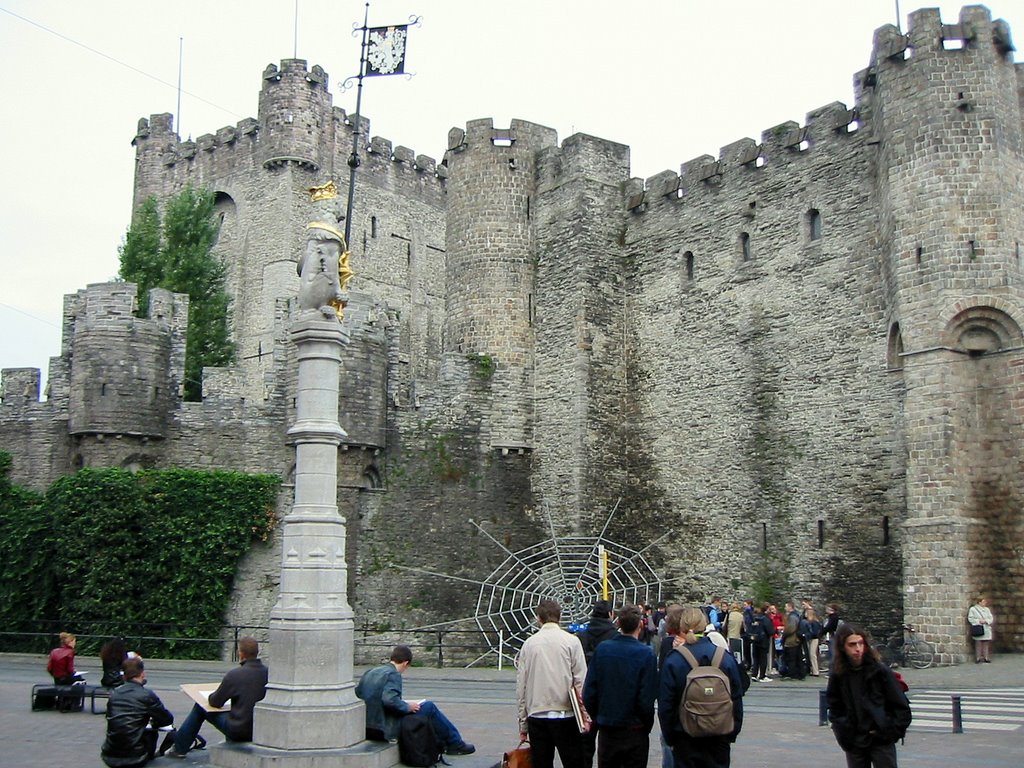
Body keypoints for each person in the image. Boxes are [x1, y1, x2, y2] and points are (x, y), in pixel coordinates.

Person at [659, 607, 745, 768]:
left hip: (685, 735)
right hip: (719, 735)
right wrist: (732, 732)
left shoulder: (675, 659)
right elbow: (736, 697)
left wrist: (671, 737)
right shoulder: (724, 657)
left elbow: (666, 705)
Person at [356, 644, 475, 755]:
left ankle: (444, 742)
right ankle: (455, 743)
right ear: (405, 663)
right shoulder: (393, 674)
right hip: (384, 728)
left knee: (423, 708)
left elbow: (359, 694)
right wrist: (407, 707)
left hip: (367, 726)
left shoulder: (370, 672)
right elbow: (389, 700)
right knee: (429, 707)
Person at [166, 636, 269, 757]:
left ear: (240, 653)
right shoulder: (268, 673)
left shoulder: (235, 675)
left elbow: (215, 702)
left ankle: (179, 748)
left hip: (239, 730)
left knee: (200, 708)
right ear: (257, 652)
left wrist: (210, 695)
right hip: (260, 729)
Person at [582, 604, 657, 768]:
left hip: (609, 726)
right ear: (640, 625)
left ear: (618, 623)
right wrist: (646, 723)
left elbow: (589, 692)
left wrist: (599, 716)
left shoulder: (603, 650)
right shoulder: (646, 654)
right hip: (635, 728)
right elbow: (646, 698)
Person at [826, 623, 911, 768]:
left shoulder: (880, 672)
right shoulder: (839, 674)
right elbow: (835, 706)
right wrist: (844, 732)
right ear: (843, 647)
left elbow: (901, 706)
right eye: (852, 645)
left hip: (880, 738)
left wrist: (888, 730)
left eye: (860, 643)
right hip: (855, 739)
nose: (857, 649)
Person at [517, 598, 589, 768]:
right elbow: (581, 681)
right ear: (560, 616)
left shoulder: (529, 644)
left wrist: (523, 723)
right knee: (574, 762)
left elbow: (522, 687)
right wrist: (584, 715)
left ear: (538, 618)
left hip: (537, 714)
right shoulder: (572, 642)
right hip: (566, 713)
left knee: (541, 763)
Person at [101, 657, 174, 768]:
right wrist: (153, 722)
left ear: (124, 676)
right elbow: (167, 720)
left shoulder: (115, 693)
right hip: (136, 756)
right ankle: (155, 756)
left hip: (109, 753)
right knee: (155, 732)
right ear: (142, 674)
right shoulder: (146, 695)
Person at [747, 604, 773, 683]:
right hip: (763, 641)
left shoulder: (755, 618)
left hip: (755, 640)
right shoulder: (765, 619)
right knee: (763, 659)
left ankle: (754, 675)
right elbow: (770, 631)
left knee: (756, 659)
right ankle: (762, 676)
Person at [967, 596, 994, 663]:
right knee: (978, 643)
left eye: (985, 602)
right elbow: (970, 618)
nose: (984, 603)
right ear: (979, 602)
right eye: (983, 602)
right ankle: (978, 658)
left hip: (986, 628)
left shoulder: (987, 609)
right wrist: (978, 621)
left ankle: (986, 657)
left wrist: (986, 621)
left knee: (986, 643)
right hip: (978, 627)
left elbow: (991, 618)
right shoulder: (973, 609)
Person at [802, 608, 823, 676]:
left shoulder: (814, 622)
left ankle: (815, 671)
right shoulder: (810, 622)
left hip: (814, 639)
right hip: (811, 639)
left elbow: (815, 633)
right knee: (810, 654)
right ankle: (812, 670)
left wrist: (806, 635)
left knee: (812, 654)